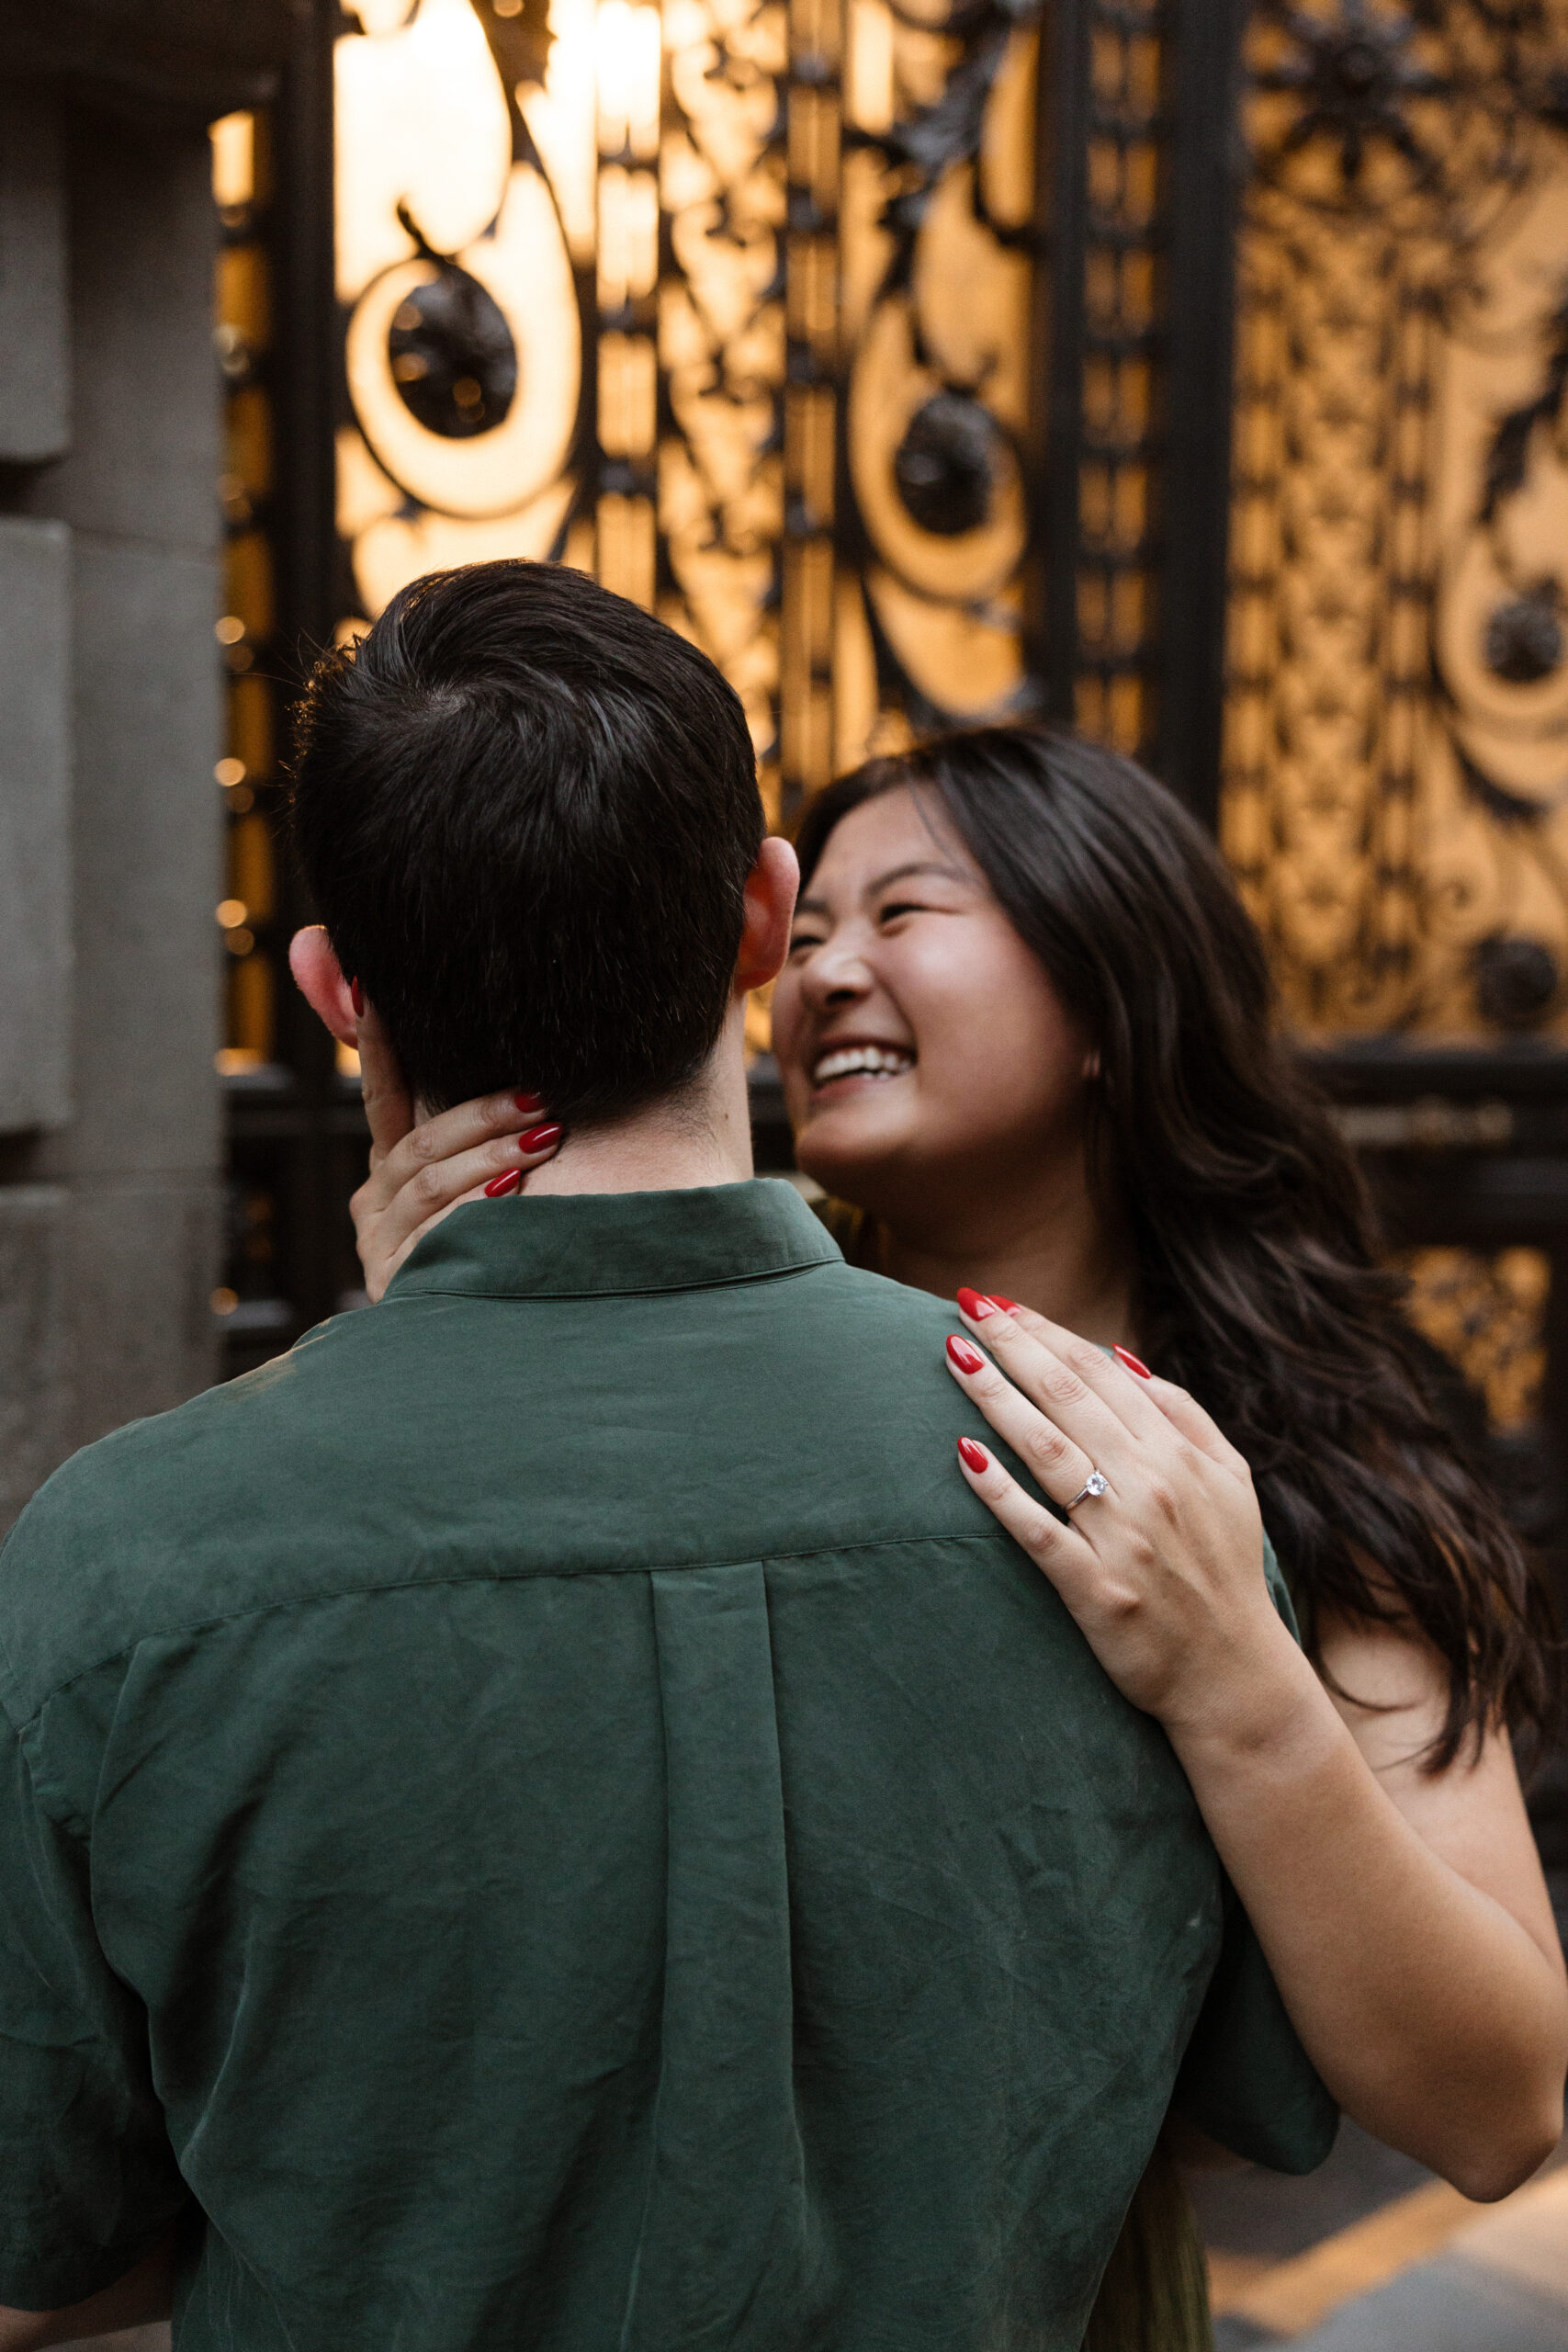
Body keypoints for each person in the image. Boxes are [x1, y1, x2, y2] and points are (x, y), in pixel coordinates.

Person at [0, 571, 1337, 2352]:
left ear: (334, 986)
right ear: (764, 915)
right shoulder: (1115, 1479)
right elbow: (1252, 2094)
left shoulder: (123, 1559)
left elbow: (52, 2237)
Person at [359, 721, 1568, 2352]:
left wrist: (1238, 1680)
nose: (823, 975)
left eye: (907, 913)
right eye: (813, 929)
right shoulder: (706, 1352)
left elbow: (1499, 2107)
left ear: (1106, 993)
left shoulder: (1293, 1459)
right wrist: (441, 1351)